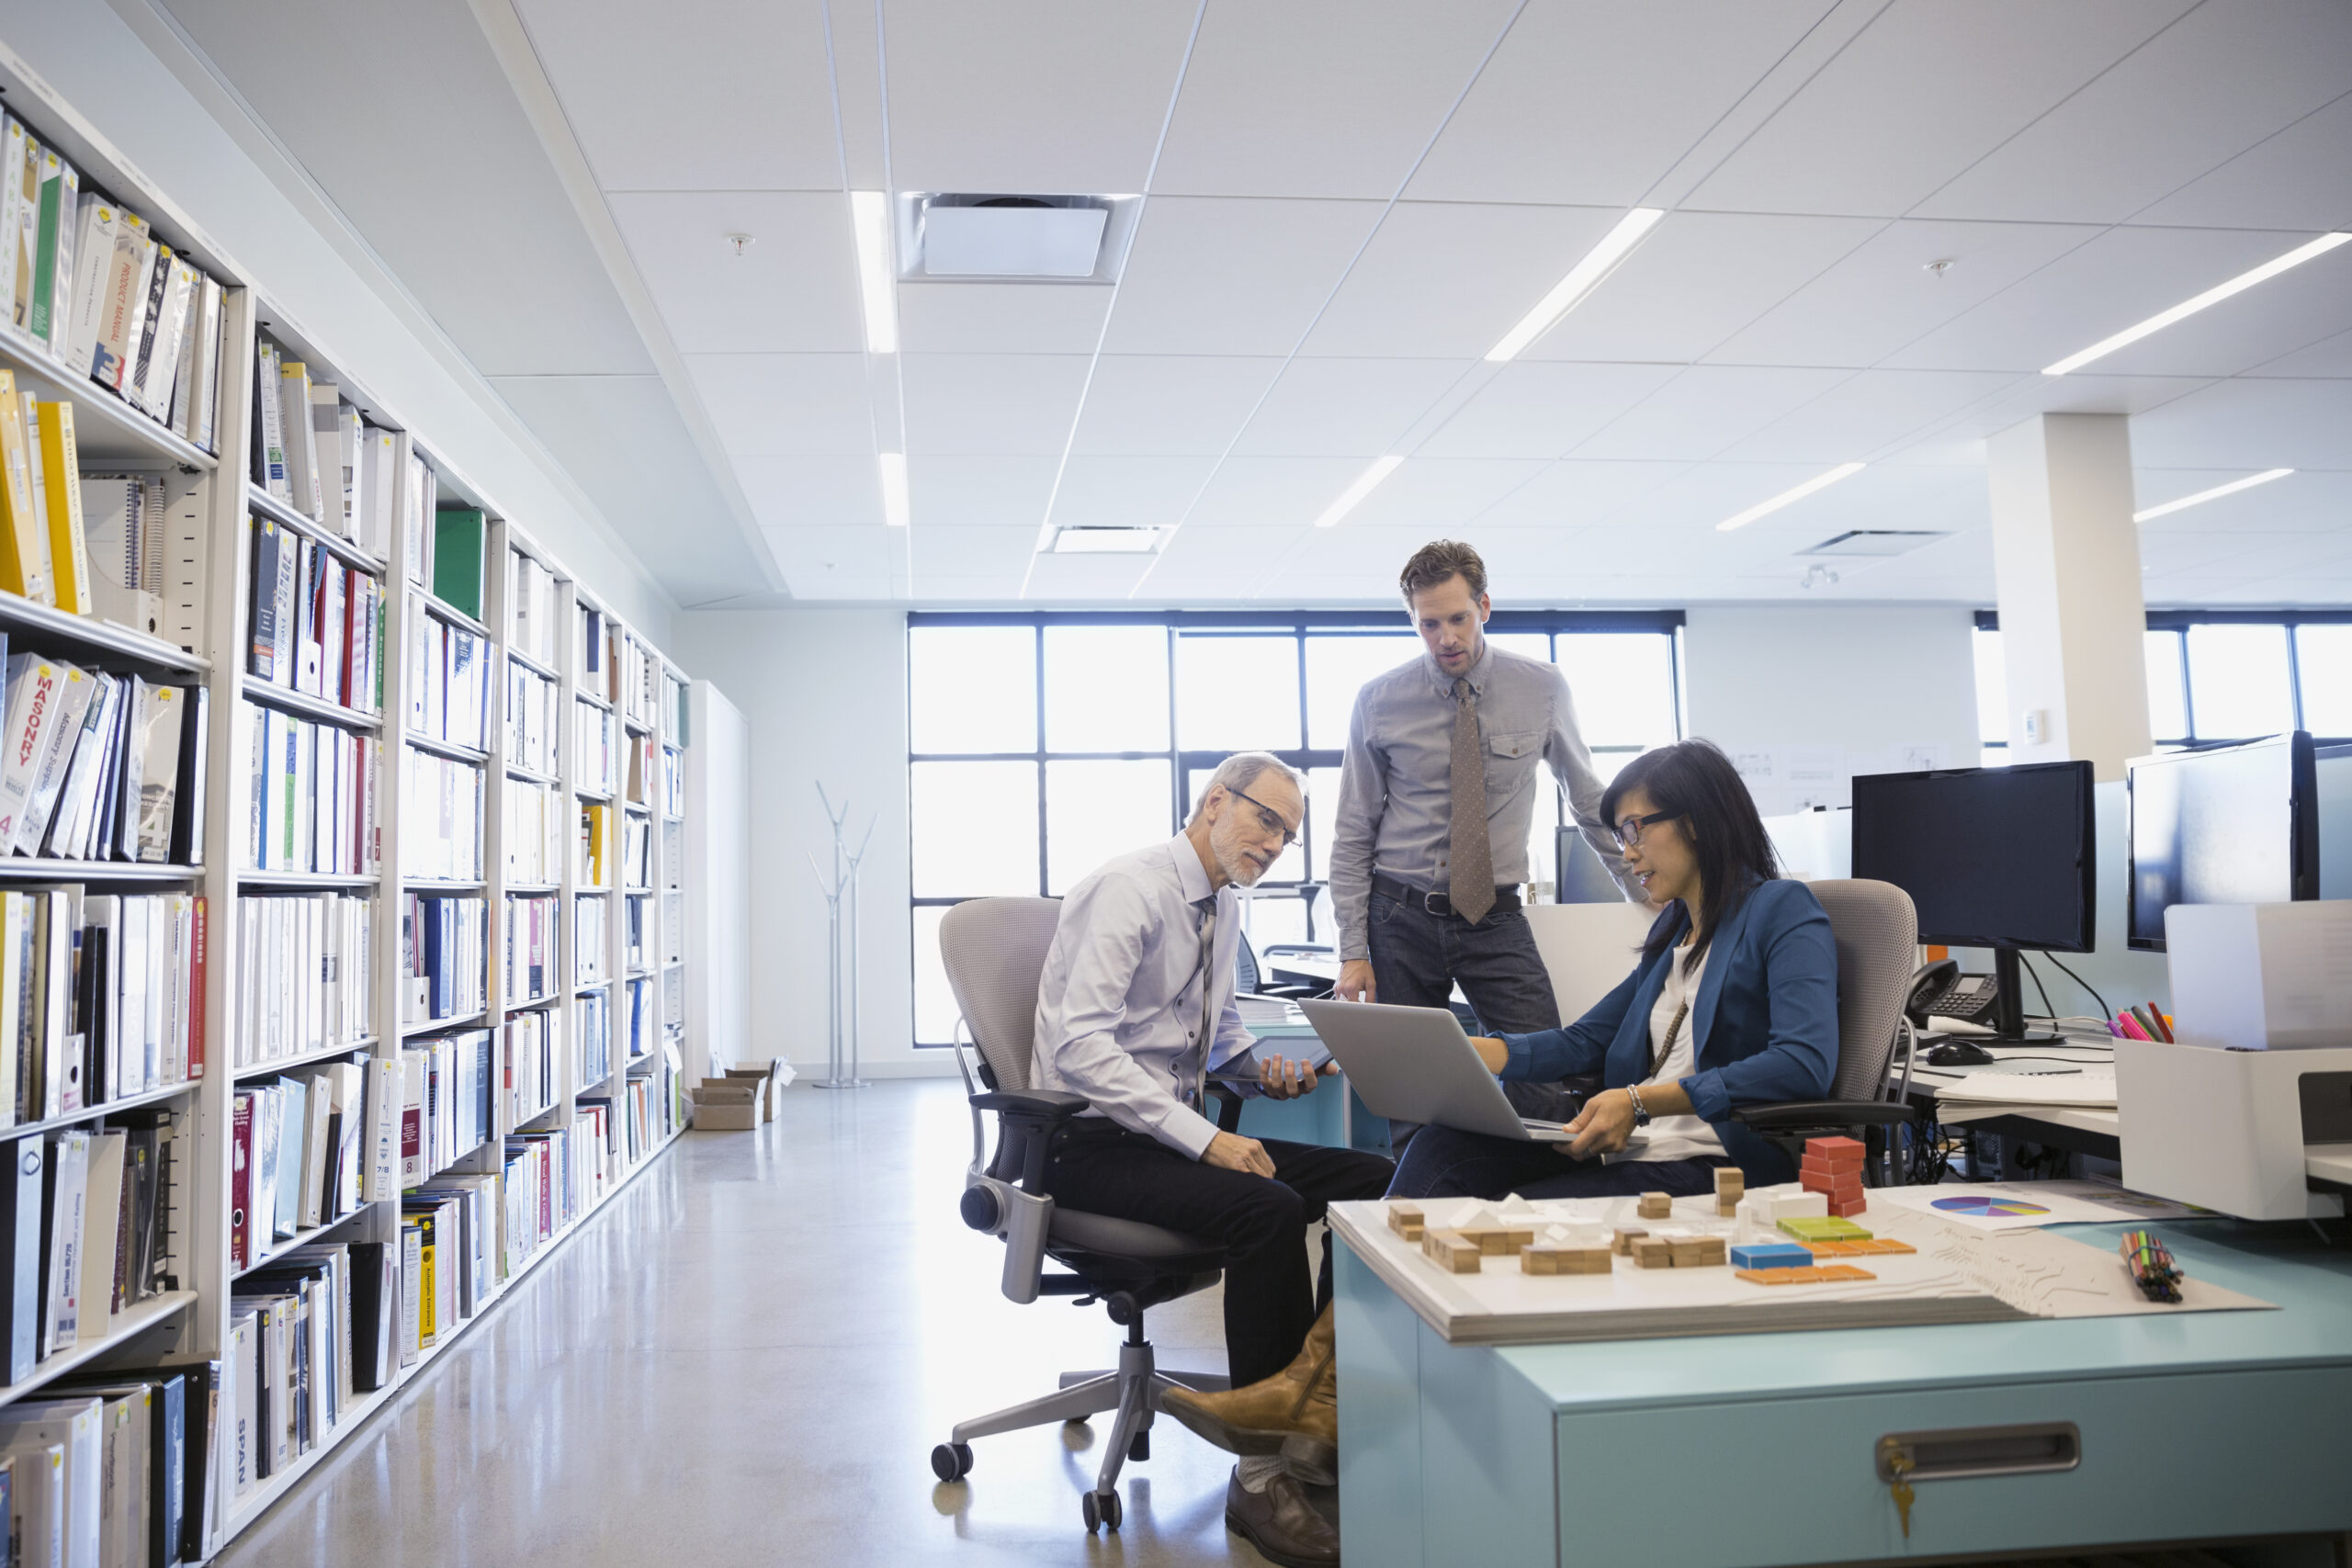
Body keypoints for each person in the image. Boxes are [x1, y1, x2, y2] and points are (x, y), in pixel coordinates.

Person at [1033, 751, 1392, 1568]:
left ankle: (1316, 1403)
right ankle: (1261, 1469)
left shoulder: (1224, 905)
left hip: (1160, 1135)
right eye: (1265, 819)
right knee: (1264, 1206)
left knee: (1373, 1183)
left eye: (1288, 835)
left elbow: (1216, 1036)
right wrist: (1207, 1138)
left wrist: (1264, 1069)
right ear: (1213, 801)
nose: (1273, 844)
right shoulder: (1131, 888)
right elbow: (1080, 1047)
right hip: (1084, 1145)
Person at [1385, 738, 1839, 1201]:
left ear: (1696, 821)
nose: (1627, 853)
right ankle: (1368, 1269)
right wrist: (1471, 1051)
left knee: (1517, 1214)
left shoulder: (1782, 909)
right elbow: (1586, 1040)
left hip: (1712, 1166)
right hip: (1633, 1151)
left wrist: (1639, 1102)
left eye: (1634, 830)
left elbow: (1803, 1063)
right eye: (1623, 836)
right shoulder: (1675, 928)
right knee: (1440, 1148)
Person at [1329, 539, 1645, 1126]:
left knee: (1544, 1080)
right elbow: (1352, 832)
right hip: (1398, 917)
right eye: (1428, 624)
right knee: (1412, 1097)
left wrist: (1647, 896)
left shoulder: (1543, 687)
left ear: (1485, 608)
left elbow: (1587, 799)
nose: (1445, 637)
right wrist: (1352, 951)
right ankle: (1422, 1211)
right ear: (1413, 621)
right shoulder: (1378, 701)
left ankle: (1547, 1205)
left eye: (1458, 618)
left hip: (1493, 917)